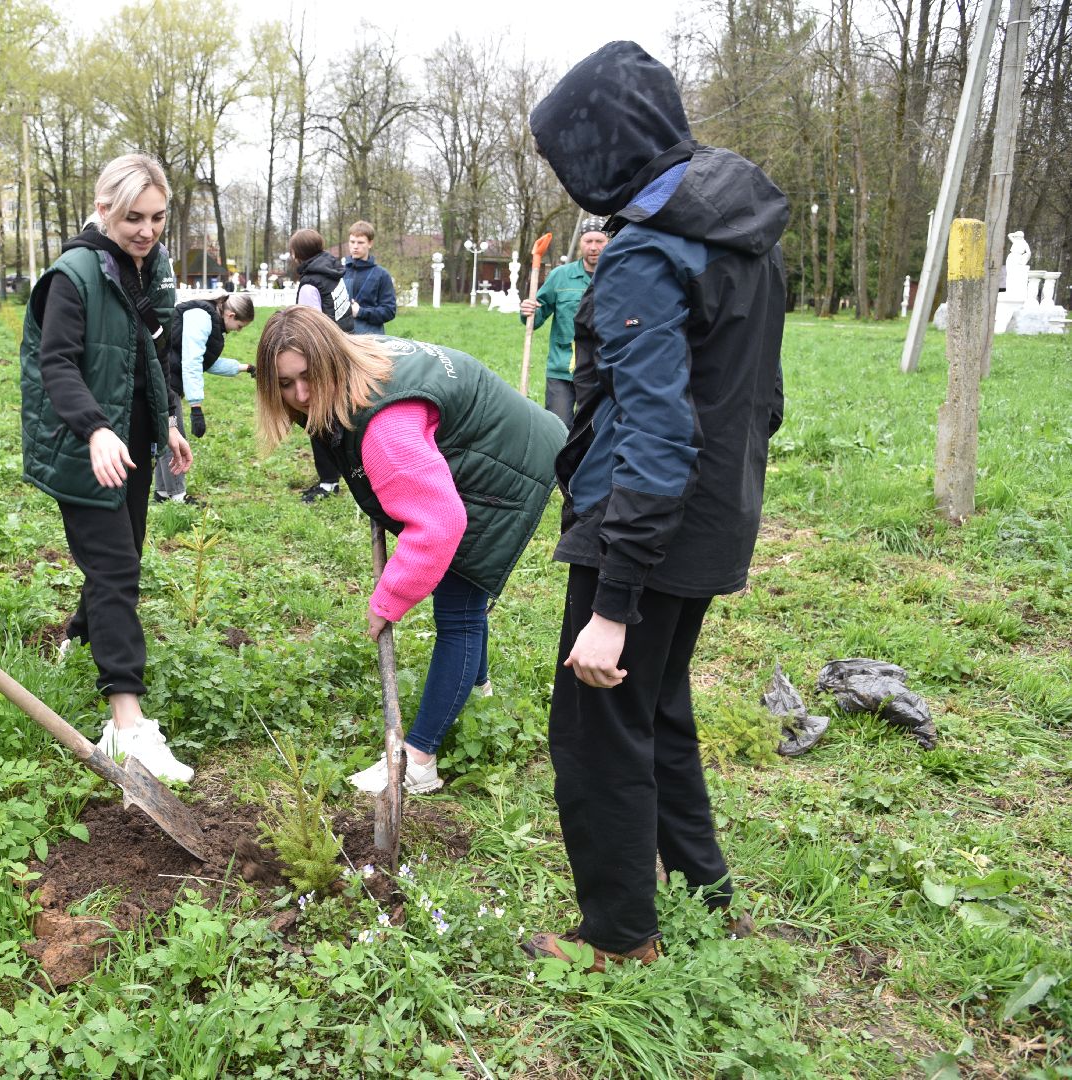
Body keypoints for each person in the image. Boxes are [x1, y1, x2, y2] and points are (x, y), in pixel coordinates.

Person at [523, 40, 787, 971]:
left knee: (597, 732)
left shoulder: (645, 253)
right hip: (715, 521)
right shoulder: (742, 230)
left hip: (643, 526)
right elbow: (764, 400)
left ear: (604, 144)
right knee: (659, 711)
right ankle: (708, 897)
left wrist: (611, 602)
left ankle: (620, 937)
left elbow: (659, 433)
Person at [252, 306, 566, 793]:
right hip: (497, 440)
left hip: (502, 467)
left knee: (458, 611)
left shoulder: (384, 425)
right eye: (286, 385)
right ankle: (478, 694)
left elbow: (440, 525)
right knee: (466, 599)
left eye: (309, 378)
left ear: (331, 359)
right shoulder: (357, 360)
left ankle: (417, 760)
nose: (301, 395)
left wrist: (388, 601)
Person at [19, 153, 196, 784]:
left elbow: (154, 357)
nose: (146, 230)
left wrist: (169, 422)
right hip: (86, 445)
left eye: (156, 218)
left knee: (121, 555)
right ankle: (126, 723)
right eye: (132, 218)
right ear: (102, 209)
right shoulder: (73, 275)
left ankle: (77, 632)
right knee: (117, 566)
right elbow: (57, 364)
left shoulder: (148, 271)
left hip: (134, 441)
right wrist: (95, 429)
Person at [153, 292, 257, 505]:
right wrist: (196, 407)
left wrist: (244, 368)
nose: (239, 331)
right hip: (164, 380)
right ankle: (178, 496)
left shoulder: (213, 321)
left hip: (168, 378)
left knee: (167, 435)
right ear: (230, 315)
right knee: (176, 438)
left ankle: (163, 492)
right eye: (240, 326)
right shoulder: (201, 317)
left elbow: (206, 363)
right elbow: (191, 362)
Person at [520, 217, 608, 428]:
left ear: (608, 242)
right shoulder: (561, 277)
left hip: (602, 370)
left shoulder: (618, 276)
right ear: (580, 243)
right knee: (558, 428)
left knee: (593, 431)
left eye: (599, 241)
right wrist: (528, 311)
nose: (594, 247)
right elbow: (537, 316)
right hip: (563, 369)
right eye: (588, 241)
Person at [289, 228, 354, 503]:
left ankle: (328, 482)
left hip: (324, 358)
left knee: (319, 420)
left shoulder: (310, 284)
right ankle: (342, 473)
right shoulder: (333, 274)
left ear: (296, 255)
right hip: (345, 349)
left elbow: (308, 327)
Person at [343, 220, 398, 336]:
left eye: (360, 242)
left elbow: (389, 311)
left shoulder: (381, 275)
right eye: (352, 242)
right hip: (343, 338)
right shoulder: (340, 272)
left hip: (371, 340)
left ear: (370, 243)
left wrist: (360, 312)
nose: (355, 247)